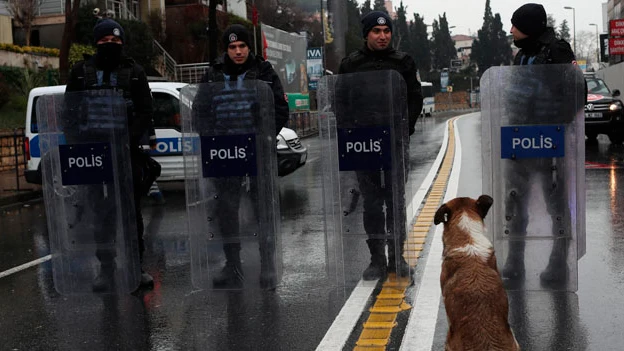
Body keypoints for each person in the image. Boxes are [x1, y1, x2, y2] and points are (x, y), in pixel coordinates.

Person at [195, 24, 289, 288]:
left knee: (263, 210)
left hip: (257, 153)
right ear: (227, 49)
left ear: (250, 48)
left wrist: (265, 137)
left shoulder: (264, 72)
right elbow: (200, 110)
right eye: (232, 47)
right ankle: (232, 265)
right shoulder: (213, 74)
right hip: (224, 154)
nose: (238, 51)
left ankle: (267, 265)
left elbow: (280, 109)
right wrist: (212, 138)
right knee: (227, 211)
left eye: (242, 46)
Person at [65, 18, 155, 291]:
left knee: (131, 214)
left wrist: (128, 139)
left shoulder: (135, 72)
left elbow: (145, 111)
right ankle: (105, 269)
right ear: (96, 43)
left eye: (116, 42)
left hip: (126, 153)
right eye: (105, 42)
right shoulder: (81, 72)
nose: (111, 46)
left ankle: (135, 268)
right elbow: (70, 114)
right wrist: (80, 146)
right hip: (94, 156)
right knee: (101, 214)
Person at [338, 11, 423, 280]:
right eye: (376, 31)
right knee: (372, 205)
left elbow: (415, 98)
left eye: (387, 32)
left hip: (394, 142)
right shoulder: (351, 65)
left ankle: (397, 258)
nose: (383, 36)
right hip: (364, 144)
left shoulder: (404, 62)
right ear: (367, 35)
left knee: (395, 202)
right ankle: (376, 259)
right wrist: (351, 132)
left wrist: (404, 130)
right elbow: (340, 101)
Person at [503, 3, 577, 286]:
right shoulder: (523, 55)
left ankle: (559, 265)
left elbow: (574, 92)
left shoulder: (557, 52)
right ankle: (514, 262)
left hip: (549, 143)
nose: (511, 30)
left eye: (515, 25)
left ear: (530, 26)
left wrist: (557, 126)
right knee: (515, 202)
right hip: (520, 140)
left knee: (555, 205)